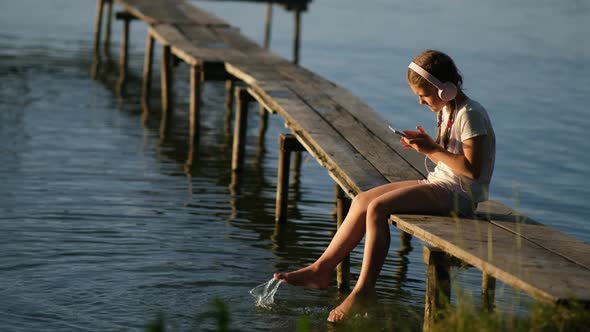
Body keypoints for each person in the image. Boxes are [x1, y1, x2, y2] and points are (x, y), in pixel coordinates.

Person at [274, 49, 496, 322]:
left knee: (378, 208)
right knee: (362, 200)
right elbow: (450, 157)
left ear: (444, 90)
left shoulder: (471, 114)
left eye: (424, 96)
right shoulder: (448, 109)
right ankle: (322, 269)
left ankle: (364, 290)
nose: (421, 102)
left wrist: (430, 150)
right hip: (441, 183)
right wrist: (428, 145)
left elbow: (471, 171)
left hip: (459, 195)